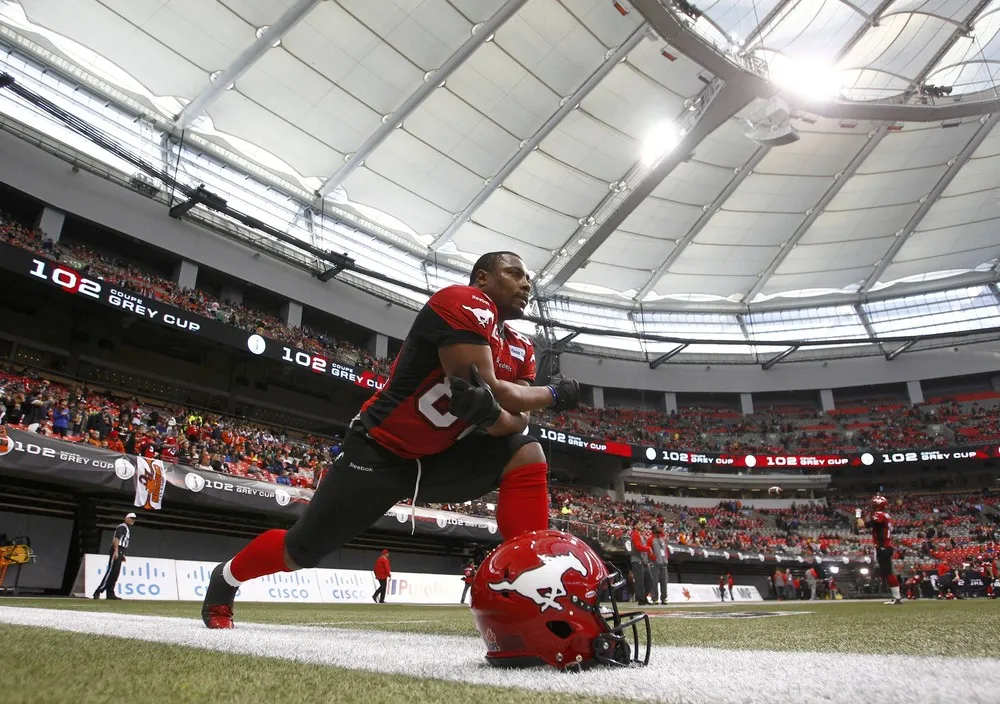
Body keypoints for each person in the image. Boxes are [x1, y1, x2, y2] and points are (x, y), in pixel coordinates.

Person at [201, 252, 581, 628]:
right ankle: (226, 579)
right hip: (380, 450)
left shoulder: (520, 345)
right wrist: (554, 395)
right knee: (301, 550)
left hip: (438, 459)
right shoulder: (463, 301)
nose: (526, 283)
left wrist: (496, 414)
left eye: (527, 277)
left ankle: (533, 583)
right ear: (481, 278)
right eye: (514, 273)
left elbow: (518, 420)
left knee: (526, 450)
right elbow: (506, 396)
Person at [857, 494, 902, 605]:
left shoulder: (880, 515)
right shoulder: (886, 515)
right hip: (886, 546)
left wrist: (858, 515)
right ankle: (896, 597)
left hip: (883, 547)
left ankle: (897, 597)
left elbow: (861, 525)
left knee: (888, 573)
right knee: (887, 573)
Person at [93, 512, 135, 600]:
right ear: (126, 518)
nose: (132, 520)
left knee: (115, 573)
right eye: (131, 518)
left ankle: (110, 593)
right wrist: (116, 551)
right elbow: (116, 539)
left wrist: (122, 554)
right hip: (117, 550)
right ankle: (98, 590)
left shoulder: (126, 528)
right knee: (111, 572)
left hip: (120, 551)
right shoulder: (122, 527)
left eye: (133, 519)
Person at [629, 523, 651, 605]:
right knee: (640, 581)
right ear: (635, 526)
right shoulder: (635, 534)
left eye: (642, 523)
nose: (641, 525)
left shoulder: (642, 535)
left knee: (649, 580)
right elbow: (638, 547)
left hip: (644, 561)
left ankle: (644, 596)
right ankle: (641, 599)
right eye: (639, 524)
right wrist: (648, 548)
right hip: (637, 560)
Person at [650, 525, 669, 604]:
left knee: (664, 582)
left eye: (659, 533)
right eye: (657, 532)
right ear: (654, 532)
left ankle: (664, 598)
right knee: (654, 582)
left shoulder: (662, 540)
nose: (658, 534)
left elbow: (665, 551)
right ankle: (655, 598)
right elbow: (649, 551)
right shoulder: (651, 540)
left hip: (664, 564)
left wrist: (666, 559)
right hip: (655, 564)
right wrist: (654, 559)